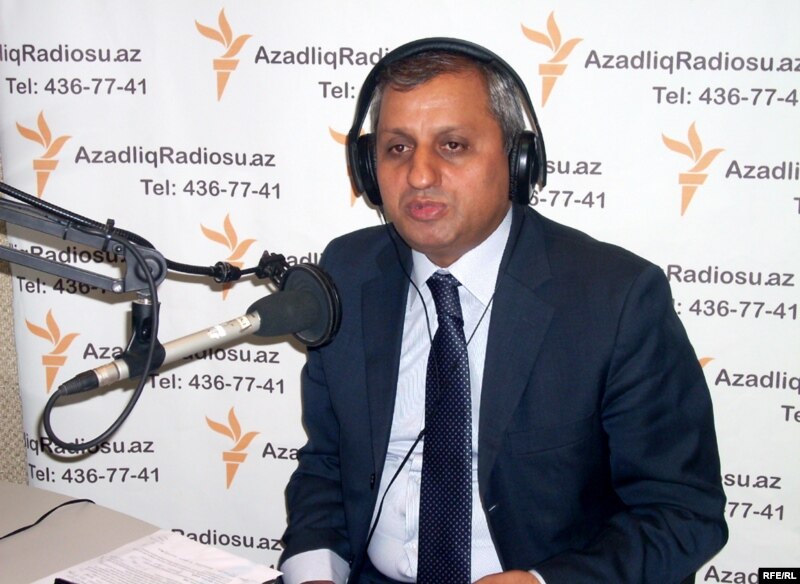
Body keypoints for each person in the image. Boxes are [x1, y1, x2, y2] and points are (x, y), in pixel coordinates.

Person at [278, 38, 727, 584]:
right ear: (368, 170)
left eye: (452, 145)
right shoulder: (347, 272)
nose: (419, 175)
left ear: (518, 162)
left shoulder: (616, 298)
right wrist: (314, 571)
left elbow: (682, 512)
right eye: (397, 148)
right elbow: (327, 463)